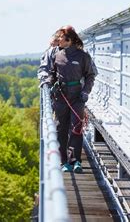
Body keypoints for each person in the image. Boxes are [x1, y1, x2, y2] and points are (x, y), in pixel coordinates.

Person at [44, 26, 96, 173]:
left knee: (76, 128)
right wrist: (49, 82)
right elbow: (53, 73)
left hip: (77, 97)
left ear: (69, 39)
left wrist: (86, 92)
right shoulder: (57, 55)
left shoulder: (82, 56)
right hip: (60, 97)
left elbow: (90, 76)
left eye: (60, 37)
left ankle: (76, 161)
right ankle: (64, 162)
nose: (58, 39)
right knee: (61, 128)